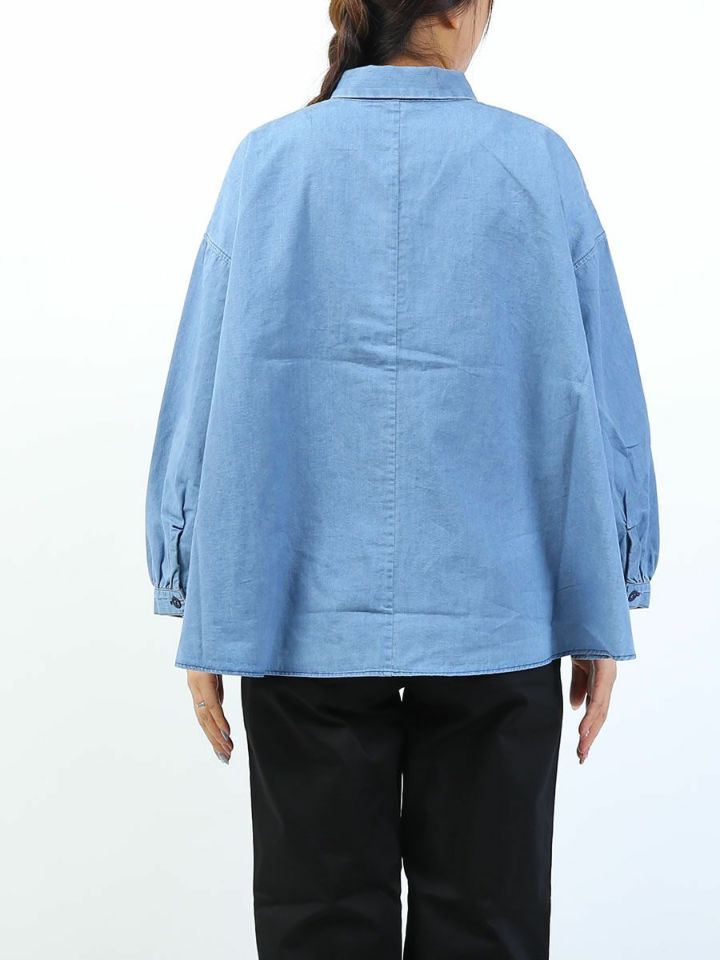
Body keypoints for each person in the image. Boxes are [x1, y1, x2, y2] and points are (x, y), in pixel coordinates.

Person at [144, 1, 659, 956]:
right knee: (490, 933)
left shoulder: (268, 163)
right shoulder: (537, 164)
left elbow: (202, 387)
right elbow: (604, 391)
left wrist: (196, 589)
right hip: (502, 616)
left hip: (300, 617)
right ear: (462, 10)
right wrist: (605, 587)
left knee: (316, 931)